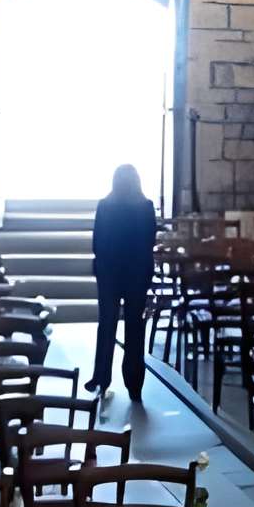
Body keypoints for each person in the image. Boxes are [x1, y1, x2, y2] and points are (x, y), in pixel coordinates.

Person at [91, 163, 157, 402]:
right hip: (136, 274)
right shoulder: (145, 207)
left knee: (106, 324)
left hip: (109, 272)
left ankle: (101, 377)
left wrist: (101, 267)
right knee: (134, 328)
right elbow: (150, 241)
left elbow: (97, 242)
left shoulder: (105, 206)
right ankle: (134, 382)